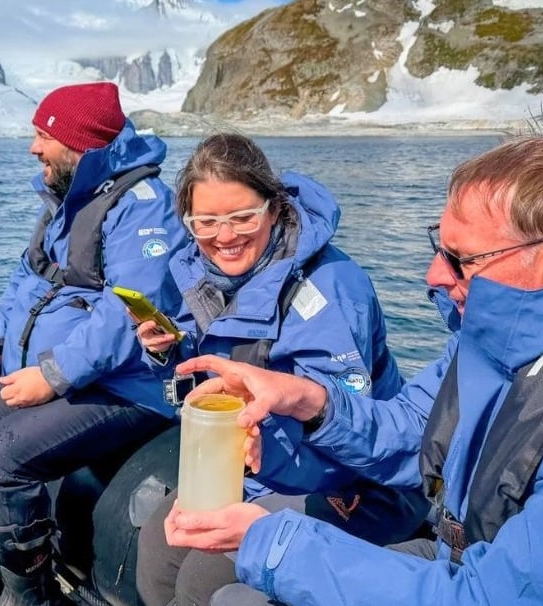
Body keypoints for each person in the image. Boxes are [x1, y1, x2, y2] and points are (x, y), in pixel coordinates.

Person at [164, 135, 543, 605]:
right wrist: (311, 402)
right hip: (462, 557)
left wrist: (273, 542)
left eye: (461, 260)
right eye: (438, 248)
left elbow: (499, 598)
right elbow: (415, 429)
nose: (434, 276)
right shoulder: (503, 331)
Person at [134, 133, 429, 606]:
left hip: (352, 481)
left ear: (274, 208)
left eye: (242, 217)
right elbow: (208, 374)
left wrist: (261, 450)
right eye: (205, 221)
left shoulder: (329, 289)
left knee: (200, 580)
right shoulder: (203, 273)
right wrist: (168, 353)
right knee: (157, 543)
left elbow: (345, 425)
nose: (224, 236)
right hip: (255, 461)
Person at [0, 81, 188, 606]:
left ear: (80, 143)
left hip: (127, 388)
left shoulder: (143, 208)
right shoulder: (67, 200)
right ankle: (3, 549)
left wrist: (51, 376)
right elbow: (28, 278)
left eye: (43, 136)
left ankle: (32, 594)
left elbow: (127, 309)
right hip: (59, 372)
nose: (33, 148)